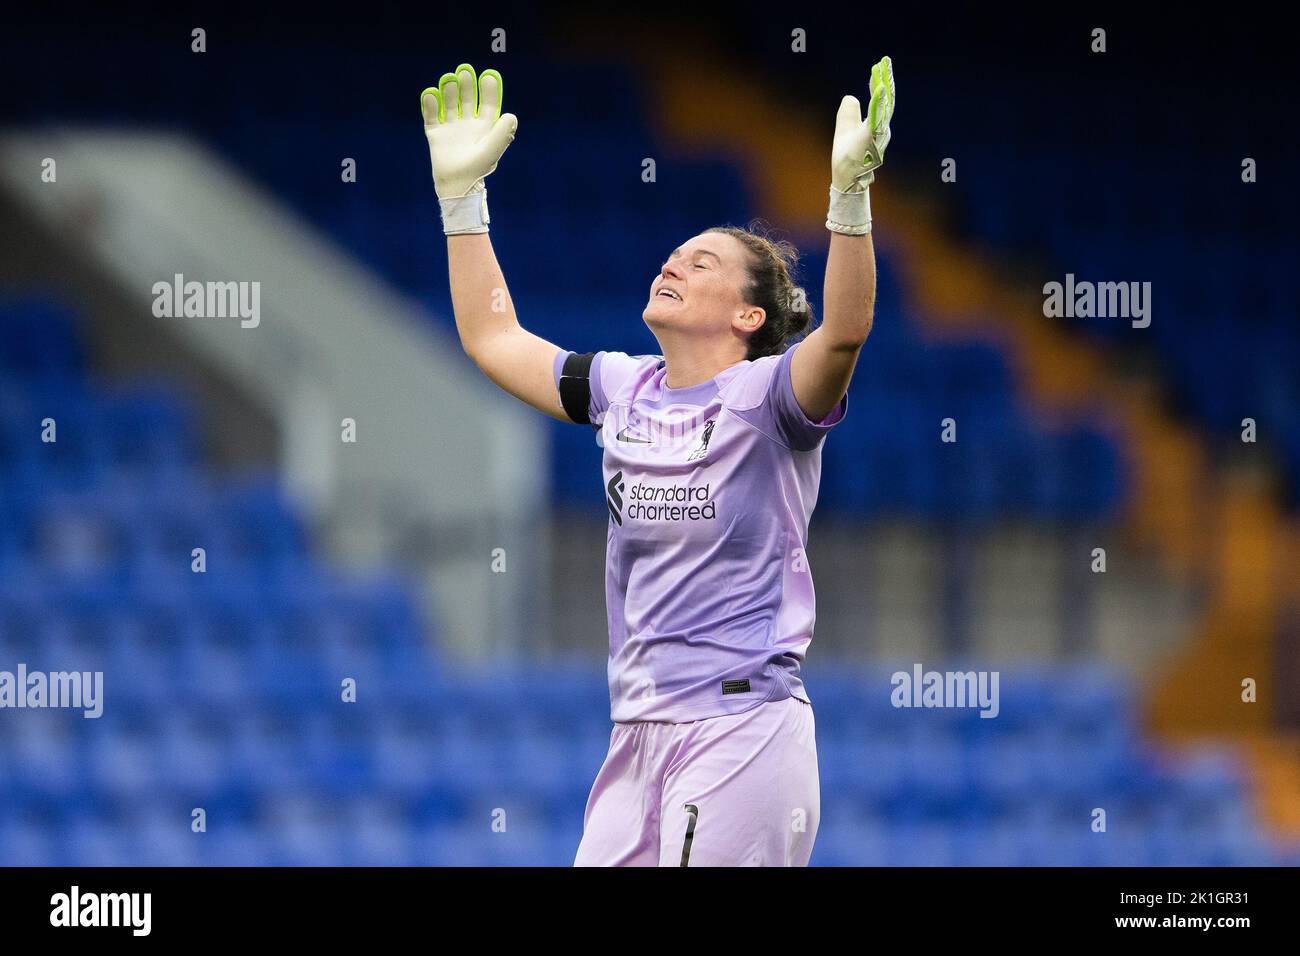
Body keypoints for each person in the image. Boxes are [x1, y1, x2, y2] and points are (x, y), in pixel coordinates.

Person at [421, 57, 895, 865]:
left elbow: (844, 333)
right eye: (673, 255)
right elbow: (493, 337)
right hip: (636, 734)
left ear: (749, 314)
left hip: (739, 730)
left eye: (700, 262)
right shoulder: (621, 388)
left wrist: (848, 203)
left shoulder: (771, 397)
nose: (672, 264)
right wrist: (462, 203)